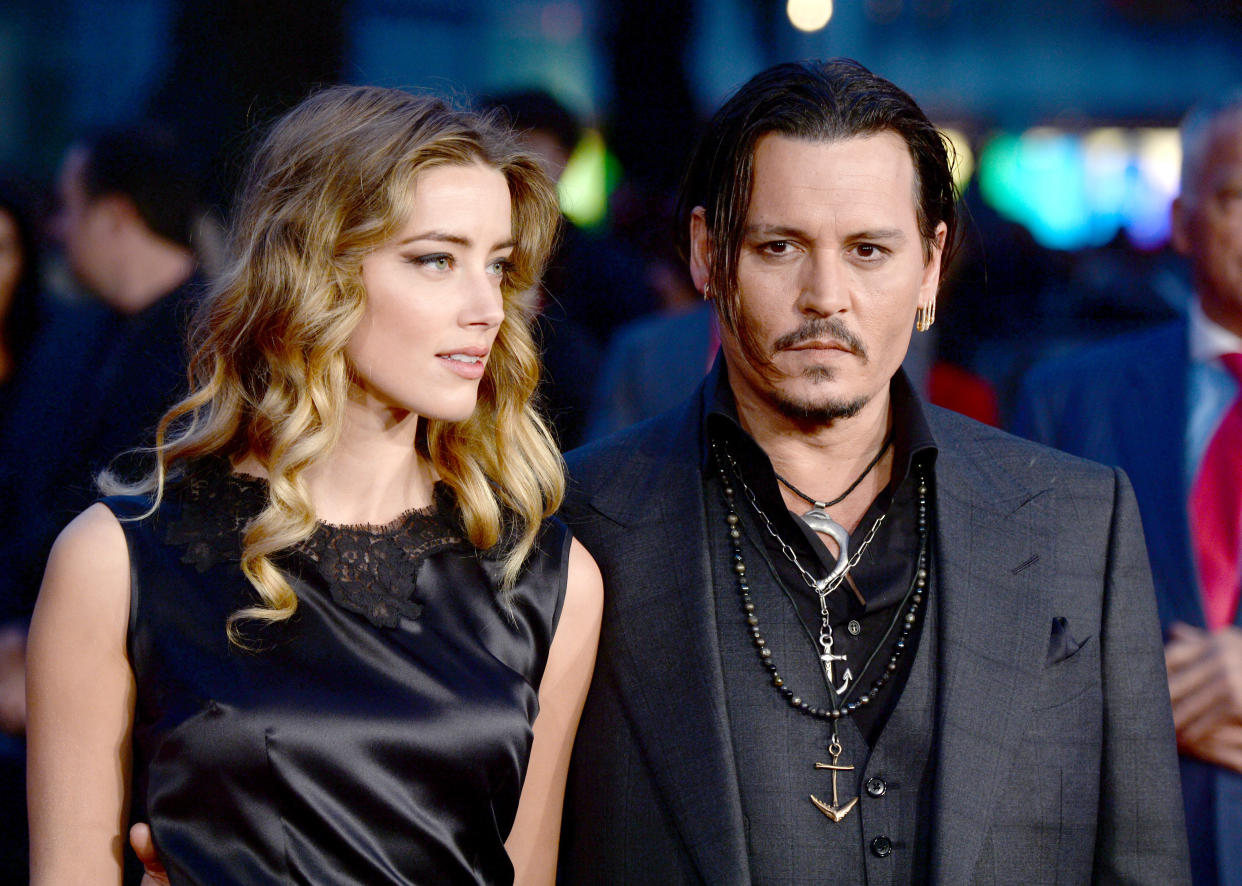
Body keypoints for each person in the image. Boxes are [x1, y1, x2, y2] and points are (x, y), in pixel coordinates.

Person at [557, 59, 1190, 884]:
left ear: (930, 266)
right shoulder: (578, 518)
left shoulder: (1076, 519)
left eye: (868, 250)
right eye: (780, 247)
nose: (827, 295)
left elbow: (1142, 864)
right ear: (708, 257)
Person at [26, 85, 602, 885]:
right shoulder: (117, 558)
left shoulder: (545, 577)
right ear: (315, 269)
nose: (487, 309)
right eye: (436, 259)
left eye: (498, 266)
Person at [1013, 92, 1242, 886]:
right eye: (1237, 198)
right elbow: (1015, 636)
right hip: (1124, 846)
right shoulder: (1067, 400)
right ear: (1182, 220)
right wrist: (1140, 714)